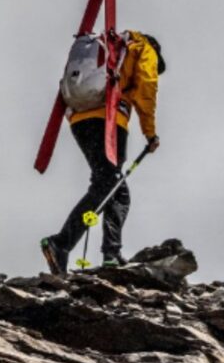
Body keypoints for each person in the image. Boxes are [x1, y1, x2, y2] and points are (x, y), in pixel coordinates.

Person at [41, 31, 165, 274]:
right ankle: (63, 243)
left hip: (80, 121)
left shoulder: (108, 47)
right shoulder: (143, 48)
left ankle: (109, 253)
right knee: (111, 186)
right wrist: (150, 134)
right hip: (108, 121)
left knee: (111, 186)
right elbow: (146, 89)